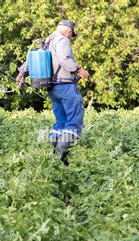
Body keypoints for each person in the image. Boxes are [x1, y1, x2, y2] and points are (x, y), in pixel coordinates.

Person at [16, 20, 90, 164]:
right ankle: (61, 156)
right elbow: (64, 59)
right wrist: (79, 70)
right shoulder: (62, 40)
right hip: (65, 86)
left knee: (61, 121)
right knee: (74, 120)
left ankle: (51, 153)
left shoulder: (48, 40)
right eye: (71, 35)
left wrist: (21, 74)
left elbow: (33, 59)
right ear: (69, 32)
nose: (70, 38)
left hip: (53, 88)